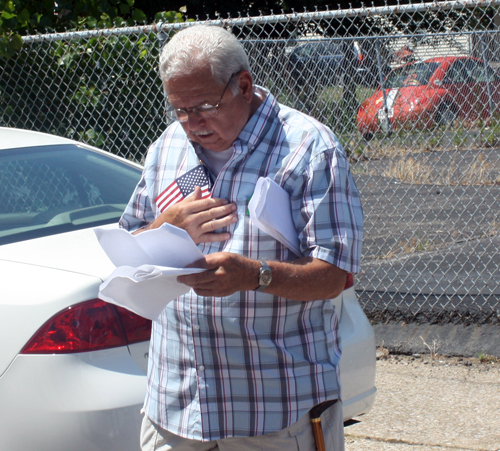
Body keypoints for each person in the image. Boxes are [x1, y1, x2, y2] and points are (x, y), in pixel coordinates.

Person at [119, 24, 363, 451]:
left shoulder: (308, 148)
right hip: (176, 404)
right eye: (179, 109)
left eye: (204, 106)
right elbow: (127, 247)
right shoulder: (167, 146)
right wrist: (165, 225)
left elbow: (334, 275)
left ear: (243, 86)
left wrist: (253, 275)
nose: (192, 123)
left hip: (272, 410)